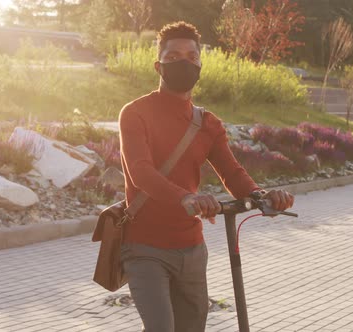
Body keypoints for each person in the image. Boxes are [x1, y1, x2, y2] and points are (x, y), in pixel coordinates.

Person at [118, 21, 295, 332]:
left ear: (200, 64)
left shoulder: (208, 124)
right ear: (158, 66)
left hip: (192, 249)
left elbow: (232, 172)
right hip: (145, 247)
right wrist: (186, 197)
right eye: (173, 57)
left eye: (191, 56)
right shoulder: (135, 113)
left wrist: (260, 195)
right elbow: (140, 172)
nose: (183, 62)